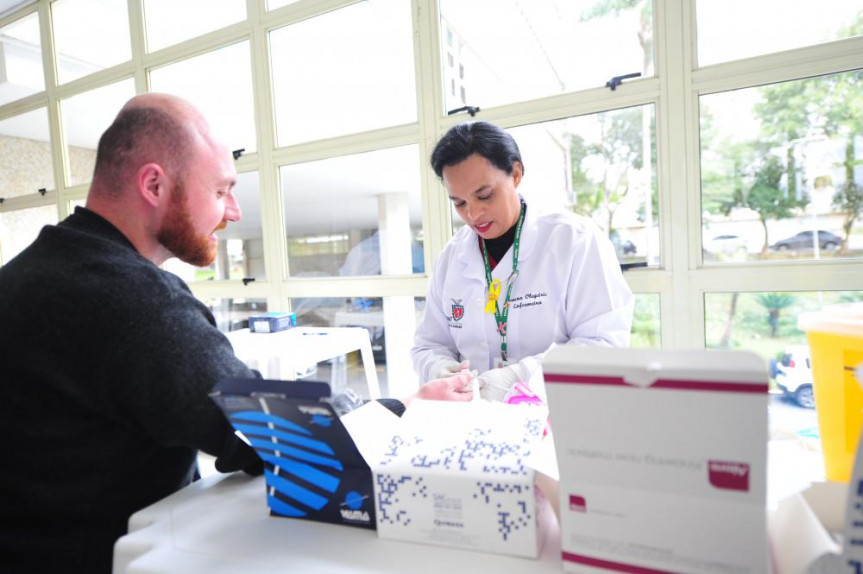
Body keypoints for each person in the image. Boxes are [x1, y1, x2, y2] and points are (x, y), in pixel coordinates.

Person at [0, 93, 472, 574]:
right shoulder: (134, 300)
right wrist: (406, 407)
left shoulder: (23, 275)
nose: (234, 212)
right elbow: (282, 438)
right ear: (153, 184)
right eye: (222, 190)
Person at [412, 121, 634, 401]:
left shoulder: (574, 240)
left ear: (515, 174)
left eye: (484, 195)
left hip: (557, 413)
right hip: (474, 418)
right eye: (459, 203)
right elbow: (428, 344)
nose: (474, 214)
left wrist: (521, 376)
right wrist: (439, 369)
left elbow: (603, 343)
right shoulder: (451, 257)